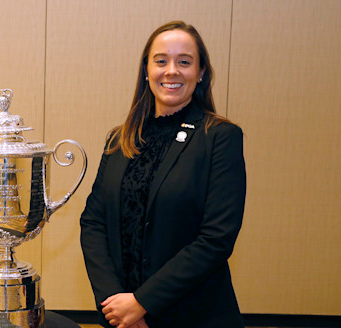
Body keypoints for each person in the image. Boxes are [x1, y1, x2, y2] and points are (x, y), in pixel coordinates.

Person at [80, 21, 246, 328]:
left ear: (201, 73)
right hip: (121, 319)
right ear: (146, 71)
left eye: (184, 61)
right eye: (161, 61)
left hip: (195, 316)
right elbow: (93, 223)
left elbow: (216, 239)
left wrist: (143, 303)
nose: (171, 70)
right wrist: (117, 305)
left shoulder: (220, 137)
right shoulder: (120, 139)